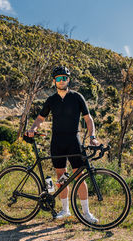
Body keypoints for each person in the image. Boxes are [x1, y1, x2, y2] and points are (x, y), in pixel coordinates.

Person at [25, 66, 100, 223]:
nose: (61, 81)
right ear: (54, 81)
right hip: (57, 142)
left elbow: (88, 119)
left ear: (68, 79)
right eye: (58, 78)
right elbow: (40, 118)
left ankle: (86, 213)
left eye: (64, 78)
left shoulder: (77, 97)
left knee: (79, 175)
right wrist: (33, 128)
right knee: (61, 176)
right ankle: (65, 210)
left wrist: (92, 137)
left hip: (74, 140)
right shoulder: (51, 100)